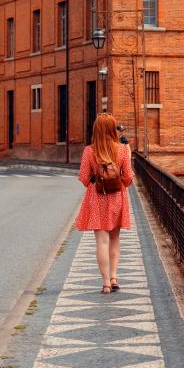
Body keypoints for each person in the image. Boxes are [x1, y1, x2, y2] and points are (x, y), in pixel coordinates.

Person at [76, 114, 133, 294]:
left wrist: (94, 181)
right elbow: (128, 178)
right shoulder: (122, 150)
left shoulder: (89, 151)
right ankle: (115, 276)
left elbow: (84, 178)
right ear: (112, 129)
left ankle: (106, 282)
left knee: (101, 241)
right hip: (117, 196)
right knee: (115, 238)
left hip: (96, 198)